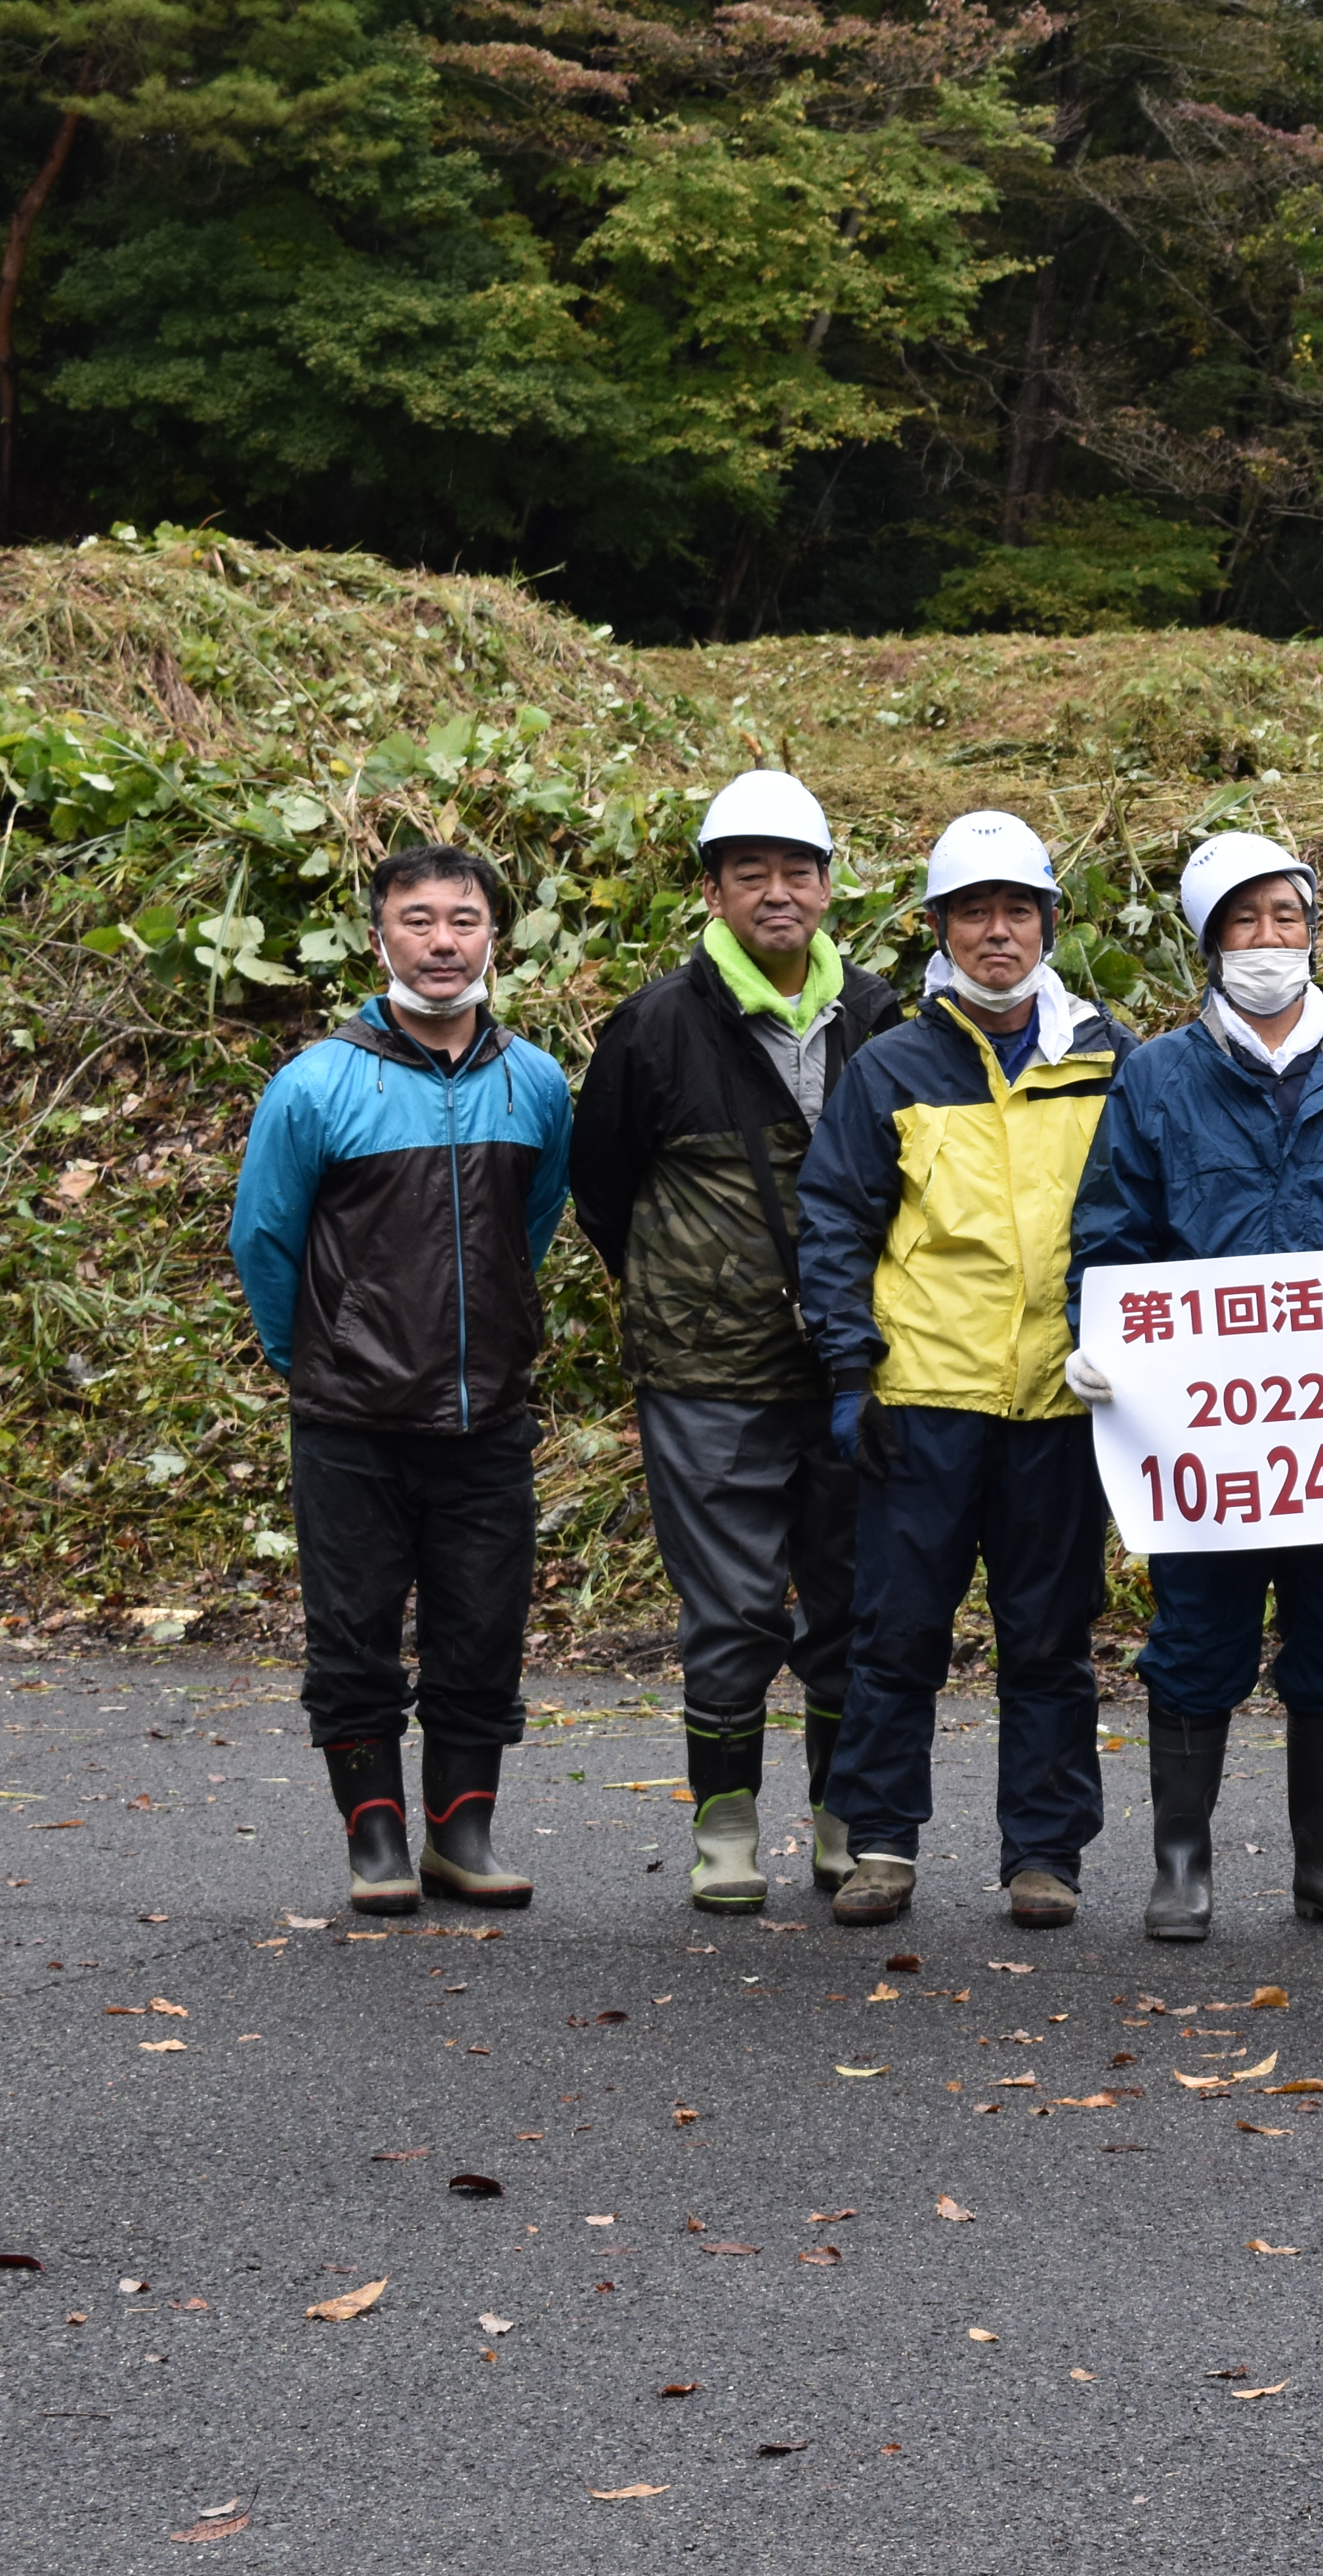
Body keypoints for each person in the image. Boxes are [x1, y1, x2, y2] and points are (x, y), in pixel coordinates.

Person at [1064, 832, 1323, 1941]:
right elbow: (1112, 1233)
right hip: (1207, 1435)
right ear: (1210, 944)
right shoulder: (1157, 1075)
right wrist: (1099, 1339)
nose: (1269, 941)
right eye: (1243, 922)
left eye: (1286, 918)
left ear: (1314, 930)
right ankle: (1181, 1870)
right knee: (1196, 1638)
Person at [795, 811, 1141, 1930]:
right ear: (938, 927)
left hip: (1061, 1401)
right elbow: (836, 1224)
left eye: (1019, 910)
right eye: (975, 912)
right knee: (896, 1634)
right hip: (924, 1398)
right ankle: (881, 1847)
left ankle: (1044, 1856)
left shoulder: (1113, 1059)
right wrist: (850, 1372)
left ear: (1050, 921)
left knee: (1051, 1639)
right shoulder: (891, 1063)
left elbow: (1150, 1220)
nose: (999, 932)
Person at [574, 771, 904, 1911]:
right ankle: (724, 1826)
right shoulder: (658, 1026)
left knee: (850, 1597)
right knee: (731, 1605)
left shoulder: (877, 1012)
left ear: (828, 887)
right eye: (750, 873)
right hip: (707, 1373)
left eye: (797, 872)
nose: (778, 893)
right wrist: (696, 1289)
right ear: (712, 890)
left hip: (854, 1363)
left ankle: (839, 1817)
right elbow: (602, 1193)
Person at [230, 844, 572, 1916]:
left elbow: (536, 1223)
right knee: (354, 1631)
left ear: (492, 939)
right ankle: (373, 1840)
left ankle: (461, 1838)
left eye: (462, 920)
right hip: (351, 1421)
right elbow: (264, 1239)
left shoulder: (536, 1080)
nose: (441, 941)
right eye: (417, 920)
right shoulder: (318, 1082)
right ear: (380, 937)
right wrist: (317, 1360)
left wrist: (497, 1343)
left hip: (488, 1415)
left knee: (484, 1629)